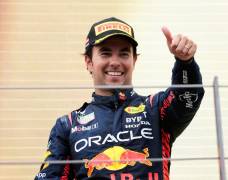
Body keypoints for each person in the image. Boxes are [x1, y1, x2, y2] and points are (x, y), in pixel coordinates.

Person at [35, 17, 204, 180]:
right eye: (105, 53)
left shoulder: (155, 109)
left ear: (134, 60)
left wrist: (185, 63)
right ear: (89, 62)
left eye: (124, 54)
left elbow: (187, 99)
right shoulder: (68, 125)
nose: (115, 62)